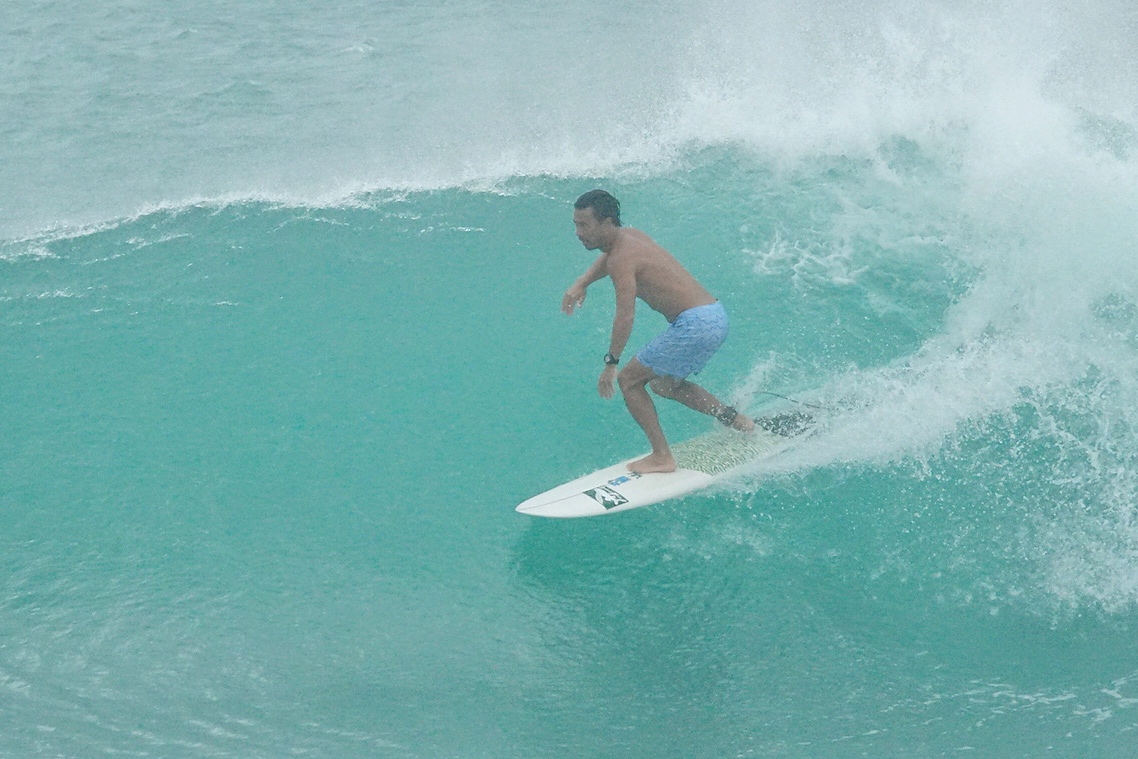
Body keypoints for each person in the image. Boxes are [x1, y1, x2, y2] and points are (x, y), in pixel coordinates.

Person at [562, 189, 754, 474]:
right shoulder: (631, 236)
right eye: (576, 225)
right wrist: (583, 281)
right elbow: (607, 257)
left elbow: (625, 315)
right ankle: (737, 421)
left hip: (694, 324)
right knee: (665, 385)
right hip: (714, 316)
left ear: (607, 222)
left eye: (584, 225)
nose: (578, 233)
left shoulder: (621, 259)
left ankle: (662, 457)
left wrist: (611, 363)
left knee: (629, 381)